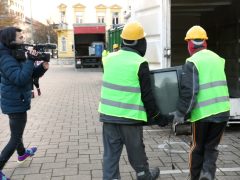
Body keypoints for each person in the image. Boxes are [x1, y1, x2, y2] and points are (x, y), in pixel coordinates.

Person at [98, 21, 173, 180]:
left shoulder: (109, 59)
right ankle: (144, 175)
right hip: (130, 117)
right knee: (136, 151)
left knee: (110, 155)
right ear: (140, 42)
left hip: (108, 116)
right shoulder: (139, 63)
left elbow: (107, 60)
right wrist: (158, 117)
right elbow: (147, 96)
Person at [171, 25, 230, 180]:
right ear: (205, 43)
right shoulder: (218, 59)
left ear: (190, 44)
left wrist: (180, 113)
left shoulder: (192, 61)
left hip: (203, 114)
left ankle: (195, 177)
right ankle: (208, 174)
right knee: (211, 147)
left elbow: (190, 93)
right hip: (223, 111)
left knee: (197, 147)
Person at [0, 27, 49, 179]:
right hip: (15, 101)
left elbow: (29, 74)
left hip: (17, 99)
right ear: (11, 40)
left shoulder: (16, 52)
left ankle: (21, 154)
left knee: (17, 132)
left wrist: (41, 68)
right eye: (20, 37)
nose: (24, 40)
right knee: (15, 137)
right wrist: (30, 60)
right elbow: (20, 78)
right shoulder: (5, 58)